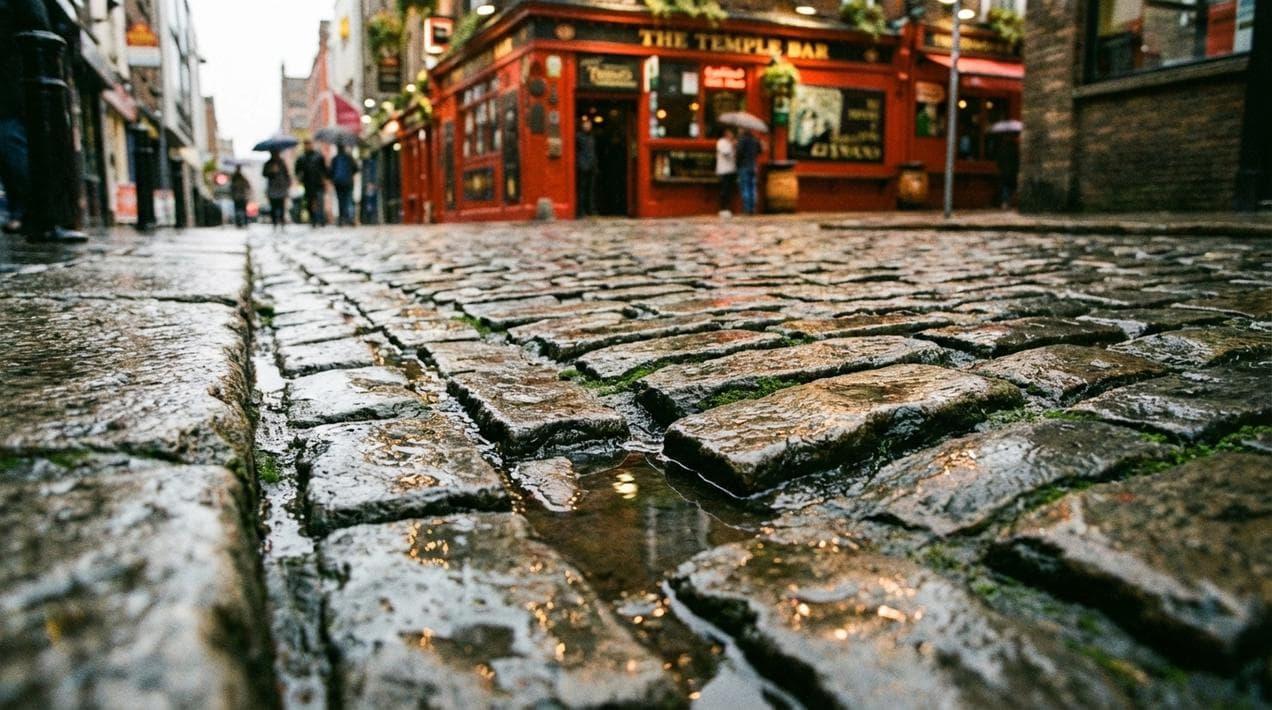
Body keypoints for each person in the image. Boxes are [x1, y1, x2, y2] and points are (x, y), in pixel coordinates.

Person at [0, 0, 46, 235]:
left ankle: (31, 210)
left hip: (11, 85)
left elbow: (37, 26)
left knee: (10, 141)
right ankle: (22, 208)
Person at [294, 139, 329, 227]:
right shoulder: (301, 158)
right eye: (306, 145)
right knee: (309, 204)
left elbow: (324, 170)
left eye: (309, 144)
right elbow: (297, 171)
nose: (307, 146)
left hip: (318, 184)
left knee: (320, 203)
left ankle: (321, 220)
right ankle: (313, 220)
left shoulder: (318, 156)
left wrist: (324, 180)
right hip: (308, 184)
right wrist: (299, 178)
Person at [330, 144, 358, 226]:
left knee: (340, 201)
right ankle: (350, 218)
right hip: (348, 183)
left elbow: (331, 172)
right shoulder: (349, 157)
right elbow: (356, 169)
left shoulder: (335, 159)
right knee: (349, 200)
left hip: (338, 183)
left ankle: (341, 219)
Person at [736, 128, 762, 215]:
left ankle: (746, 209)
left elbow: (739, 153)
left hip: (744, 166)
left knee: (745, 188)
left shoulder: (742, 140)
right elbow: (760, 151)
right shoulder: (755, 140)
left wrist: (737, 164)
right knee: (753, 188)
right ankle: (753, 209)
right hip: (753, 166)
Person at [262, 149, 290, 230]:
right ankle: (274, 223)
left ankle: (282, 222)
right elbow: (264, 174)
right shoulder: (268, 163)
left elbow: (286, 174)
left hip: (281, 187)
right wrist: (271, 171)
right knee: (273, 207)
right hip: (272, 188)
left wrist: (287, 184)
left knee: (281, 206)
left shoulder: (282, 162)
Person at [575, 118, 596, 218]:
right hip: (583, 166)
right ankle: (581, 211)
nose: (587, 126)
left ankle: (590, 210)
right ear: (582, 125)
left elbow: (593, 152)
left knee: (590, 189)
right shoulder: (578, 136)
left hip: (591, 166)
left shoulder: (591, 137)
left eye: (589, 124)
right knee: (582, 189)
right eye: (586, 124)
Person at [995, 132, 1020, 209]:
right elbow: (1017, 161)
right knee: (1011, 187)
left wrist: (1001, 167)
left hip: (1004, 171)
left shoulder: (1002, 149)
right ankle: (1009, 202)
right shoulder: (1015, 148)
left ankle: (1005, 203)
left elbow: (998, 161)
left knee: (1005, 187)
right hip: (1012, 171)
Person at [715, 127, 737, 217]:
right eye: (729, 133)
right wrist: (732, 145)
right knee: (724, 190)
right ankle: (723, 208)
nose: (731, 135)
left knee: (729, 190)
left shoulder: (732, 143)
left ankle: (728, 208)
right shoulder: (721, 142)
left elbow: (734, 155)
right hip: (723, 170)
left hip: (731, 169)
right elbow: (726, 153)